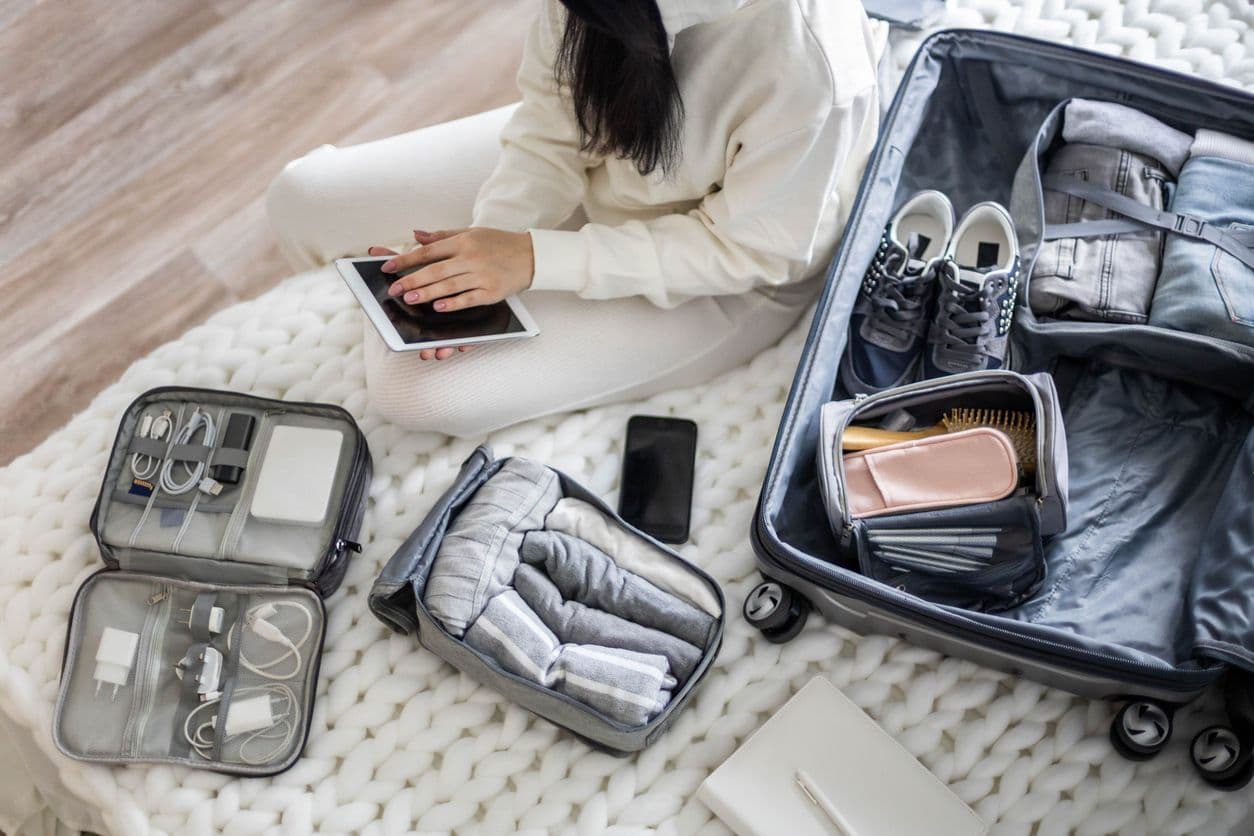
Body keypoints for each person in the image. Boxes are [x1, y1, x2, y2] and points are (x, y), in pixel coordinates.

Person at [266, 0, 883, 436]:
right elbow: (553, 116)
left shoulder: (813, 64)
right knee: (303, 198)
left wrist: (535, 260)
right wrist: (492, 239)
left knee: (410, 390)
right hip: (615, 160)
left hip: (729, 269)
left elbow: (748, 250)